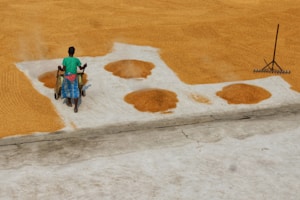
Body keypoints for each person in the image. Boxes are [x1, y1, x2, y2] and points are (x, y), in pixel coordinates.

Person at [58, 46, 87, 113]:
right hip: (73, 76)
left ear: (68, 52)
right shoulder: (76, 60)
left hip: (67, 75)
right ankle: (76, 107)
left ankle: (69, 102)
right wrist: (84, 66)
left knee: (67, 89)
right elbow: (81, 68)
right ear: (74, 52)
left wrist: (60, 68)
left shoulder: (65, 59)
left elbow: (63, 69)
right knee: (75, 90)